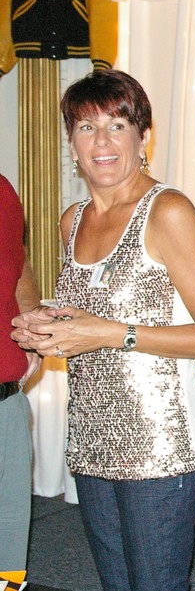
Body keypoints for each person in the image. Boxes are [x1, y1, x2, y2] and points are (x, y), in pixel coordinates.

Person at [11, 69, 195, 591]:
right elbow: (88, 317)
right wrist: (48, 325)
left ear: (143, 136)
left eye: (117, 125)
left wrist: (111, 334)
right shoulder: (72, 220)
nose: (102, 141)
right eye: (86, 127)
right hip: (91, 439)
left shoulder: (168, 211)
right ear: (71, 143)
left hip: (162, 445)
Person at [1, 174, 40, 573]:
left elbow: (16, 258)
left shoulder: (2, 192)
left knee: (9, 557)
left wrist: (29, 325)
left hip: (6, 403)